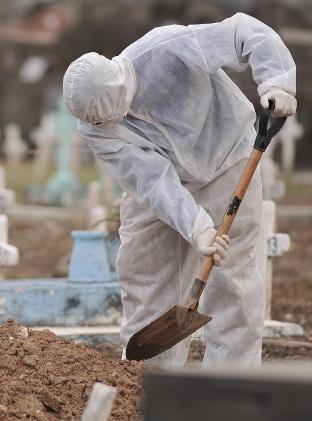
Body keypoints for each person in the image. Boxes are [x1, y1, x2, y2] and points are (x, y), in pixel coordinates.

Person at [63, 13, 296, 367]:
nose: (103, 125)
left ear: (117, 86)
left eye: (105, 117)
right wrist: (198, 228)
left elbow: (244, 32)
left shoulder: (167, 48)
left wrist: (276, 82)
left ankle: (231, 385)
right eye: (96, 122)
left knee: (233, 282)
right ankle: (147, 383)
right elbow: (152, 182)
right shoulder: (94, 127)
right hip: (159, 188)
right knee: (142, 274)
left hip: (226, 159)